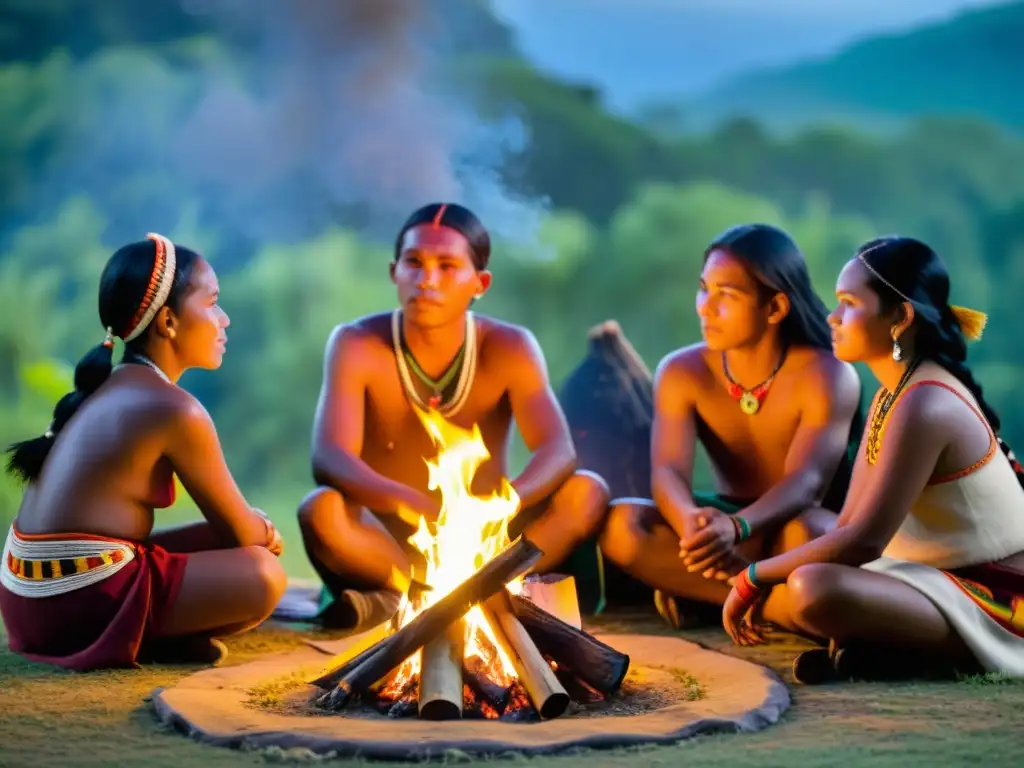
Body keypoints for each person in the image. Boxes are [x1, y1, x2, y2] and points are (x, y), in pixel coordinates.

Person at [720, 236, 1024, 682]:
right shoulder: (892, 393)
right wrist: (760, 574)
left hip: (996, 593)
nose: (832, 317)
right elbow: (846, 525)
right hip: (928, 573)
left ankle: (922, 650)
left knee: (812, 589)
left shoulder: (925, 403)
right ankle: (888, 649)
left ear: (900, 317)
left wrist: (750, 578)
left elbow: (864, 542)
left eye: (848, 303)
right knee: (805, 533)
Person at [295, 203, 610, 629]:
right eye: (414, 263)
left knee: (586, 492)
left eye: (447, 266)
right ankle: (413, 594)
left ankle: (481, 587)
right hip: (395, 539)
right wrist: (407, 503)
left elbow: (558, 450)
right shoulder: (356, 343)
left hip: (490, 539)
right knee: (322, 510)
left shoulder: (510, 346)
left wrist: (505, 503)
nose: (427, 280)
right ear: (394, 272)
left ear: (480, 283)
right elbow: (330, 457)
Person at [0, 234, 287, 671]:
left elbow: (230, 527)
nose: (224, 319)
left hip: (26, 601)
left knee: (226, 536)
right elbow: (246, 534)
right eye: (212, 303)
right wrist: (265, 531)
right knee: (263, 574)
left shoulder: (104, 387)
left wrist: (253, 527)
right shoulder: (175, 409)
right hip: (72, 602)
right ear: (168, 322)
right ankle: (147, 637)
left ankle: (155, 636)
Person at [600, 223, 863, 627]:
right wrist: (690, 522)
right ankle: (774, 606)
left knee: (806, 530)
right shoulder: (681, 371)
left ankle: (720, 597)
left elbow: (806, 483)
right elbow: (668, 470)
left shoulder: (828, 374)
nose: (706, 306)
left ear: (774, 308)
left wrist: (737, 527)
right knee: (624, 525)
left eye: (727, 294)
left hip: (796, 533)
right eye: (704, 288)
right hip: (730, 533)